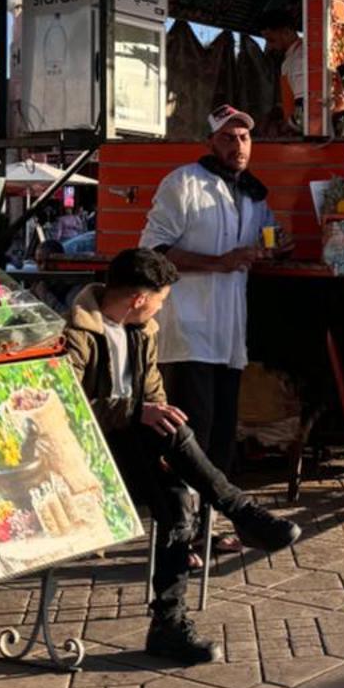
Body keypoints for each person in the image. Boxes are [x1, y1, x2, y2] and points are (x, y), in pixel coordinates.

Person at [63, 248, 299, 664]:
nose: (161, 306)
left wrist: (148, 414)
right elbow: (69, 406)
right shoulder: (76, 332)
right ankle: (241, 512)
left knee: (177, 499)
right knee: (167, 430)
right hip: (91, 453)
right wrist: (138, 411)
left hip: (136, 446)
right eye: (161, 298)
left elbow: (153, 394)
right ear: (139, 298)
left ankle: (168, 627)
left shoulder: (142, 329)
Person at [140, 106, 280, 528]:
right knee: (190, 436)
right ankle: (179, 526)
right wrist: (218, 262)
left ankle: (208, 526)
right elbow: (153, 251)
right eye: (228, 137)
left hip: (228, 335)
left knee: (221, 436)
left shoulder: (256, 196)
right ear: (210, 143)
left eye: (244, 138)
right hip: (188, 331)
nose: (238, 145)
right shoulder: (184, 183)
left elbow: (264, 241)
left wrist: (273, 247)